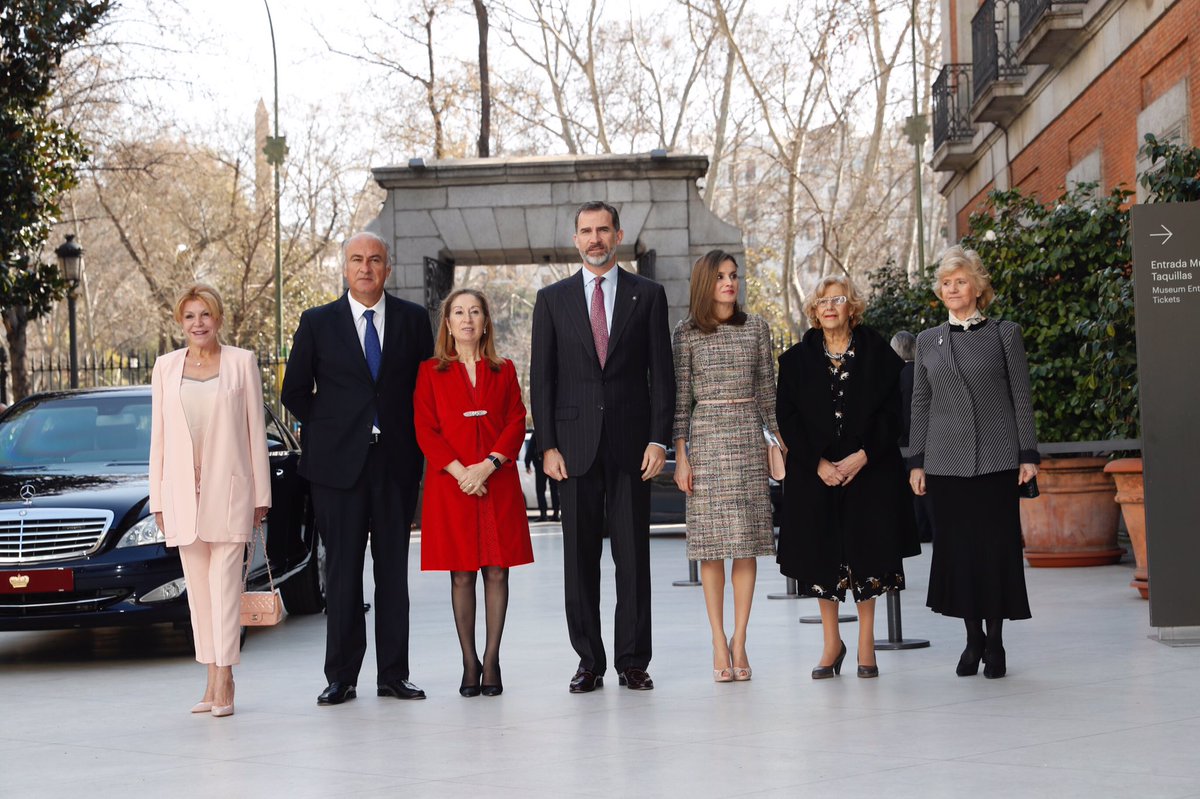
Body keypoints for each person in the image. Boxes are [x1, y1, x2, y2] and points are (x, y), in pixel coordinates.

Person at [281, 231, 434, 705]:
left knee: (393, 574)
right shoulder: (317, 321)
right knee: (343, 574)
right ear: (344, 269)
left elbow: (426, 389)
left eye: (374, 260)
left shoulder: (413, 320)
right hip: (336, 471)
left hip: (395, 467)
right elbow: (293, 393)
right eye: (356, 260)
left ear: (388, 268)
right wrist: (333, 430)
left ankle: (394, 674)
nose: (365, 268)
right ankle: (341, 677)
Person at [529, 200, 675, 693]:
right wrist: (547, 444)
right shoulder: (551, 300)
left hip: (634, 447)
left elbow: (663, 375)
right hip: (573, 450)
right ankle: (588, 660)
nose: (594, 238)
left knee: (634, 559)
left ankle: (633, 660)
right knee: (579, 559)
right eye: (586, 231)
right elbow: (542, 380)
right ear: (576, 239)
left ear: (618, 235)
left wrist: (659, 437)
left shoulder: (648, 296)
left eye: (603, 230)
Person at [908, 245, 1038, 680]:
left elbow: (1021, 396)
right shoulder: (928, 340)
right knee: (959, 553)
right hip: (946, 465)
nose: (952, 288)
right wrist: (917, 461)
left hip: (997, 459)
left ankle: (996, 641)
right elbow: (920, 404)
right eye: (945, 282)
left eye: (960, 281)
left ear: (978, 288)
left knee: (995, 551)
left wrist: (1028, 455)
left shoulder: (1005, 333)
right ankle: (972, 640)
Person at [776, 275, 913, 679]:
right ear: (814, 312)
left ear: (852, 307)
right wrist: (817, 462)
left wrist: (863, 456)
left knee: (869, 554)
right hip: (815, 474)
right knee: (822, 558)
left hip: (868, 472)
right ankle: (831, 643)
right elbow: (788, 418)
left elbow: (894, 414)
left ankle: (867, 644)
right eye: (822, 301)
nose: (830, 307)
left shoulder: (879, 355)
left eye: (838, 299)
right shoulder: (795, 360)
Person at [149, 283, 270, 718]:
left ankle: (225, 678)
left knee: (225, 588)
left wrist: (261, 495)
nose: (198, 323)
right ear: (180, 323)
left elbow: (255, 431)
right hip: (183, 495)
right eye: (189, 317)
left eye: (205, 315)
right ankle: (210, 675)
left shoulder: (242, 363)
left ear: (218, 319)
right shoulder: (165, 368)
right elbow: (158, 439)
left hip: (231, 491)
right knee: (198, 593)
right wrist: (157, 499)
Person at [415, 289, 533, 698]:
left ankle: (493, 657)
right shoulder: (430, 371)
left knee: (497, 569)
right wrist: (462, 471)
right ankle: (469, 662)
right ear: (447, 323)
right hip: (452, 484)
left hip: (496, 480)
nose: (467, 319)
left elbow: (517, 420)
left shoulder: (505, 369)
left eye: (475, 312)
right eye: (459, 313)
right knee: (462, 573)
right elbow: (425, 429)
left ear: (486, 322)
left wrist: (489, 465)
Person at [671, 250, 779, 682]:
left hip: (749, 437)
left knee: (747, 545)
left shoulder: (757, 328)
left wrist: (777, 441)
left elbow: (768, 392)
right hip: (707, 438)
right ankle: (718, 640)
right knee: (711, 549)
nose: (730, 283)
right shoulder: (686, 333)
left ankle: (741, 638)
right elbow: (681, 401)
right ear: (705, 283)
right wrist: (681, 455)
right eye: (720, 277)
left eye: (733, 276)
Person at [891, 330, 935, 544]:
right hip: (926, 437)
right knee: (923, 486)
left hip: (902, 440)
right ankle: (925, 528)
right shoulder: (923, 371)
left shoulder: (893, 376)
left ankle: (916, 529)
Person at [524, 428, 560, 521]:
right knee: (554, 490)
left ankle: (543, 514)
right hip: (553, 464)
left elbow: (531, 448)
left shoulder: (537, 432)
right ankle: (556, 514)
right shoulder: (554, 431)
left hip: (540, 465)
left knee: (540, 490)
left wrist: (527, 463)